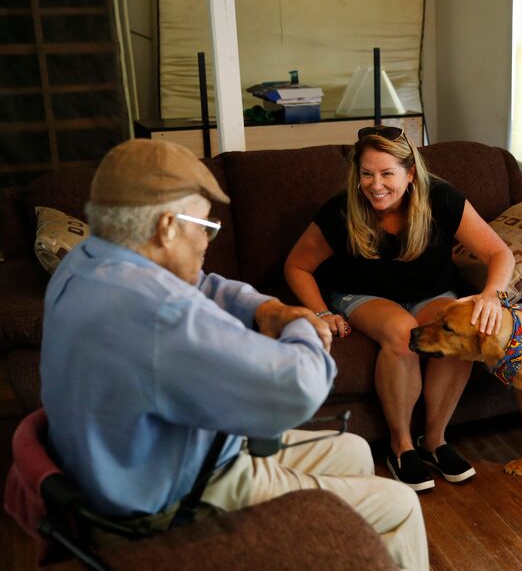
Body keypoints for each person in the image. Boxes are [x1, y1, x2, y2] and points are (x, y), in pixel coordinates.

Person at [40, 139, 428, 571]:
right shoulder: (162, 315)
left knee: (355, 449)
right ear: (167, 226)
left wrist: (269, 308)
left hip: (131, 463)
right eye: (204, 225)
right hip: (179, 497)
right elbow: (299, 389)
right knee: (402, 503)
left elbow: (200, 281)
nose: (207, 240)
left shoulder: (88, 261)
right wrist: (302, 323)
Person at [284, 126, 515, 492]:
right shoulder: (343, 210)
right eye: (367, 173)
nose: (376, 185)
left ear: (410, 173)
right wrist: (320, 313)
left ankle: (435, 442)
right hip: (360, 295)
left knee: (456, 333)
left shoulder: (440, 198)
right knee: (403, 332)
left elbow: (499, 252)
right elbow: (296, 266)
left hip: (431, 292)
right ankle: (400, 446)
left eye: (387, 173)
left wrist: (491, 295)